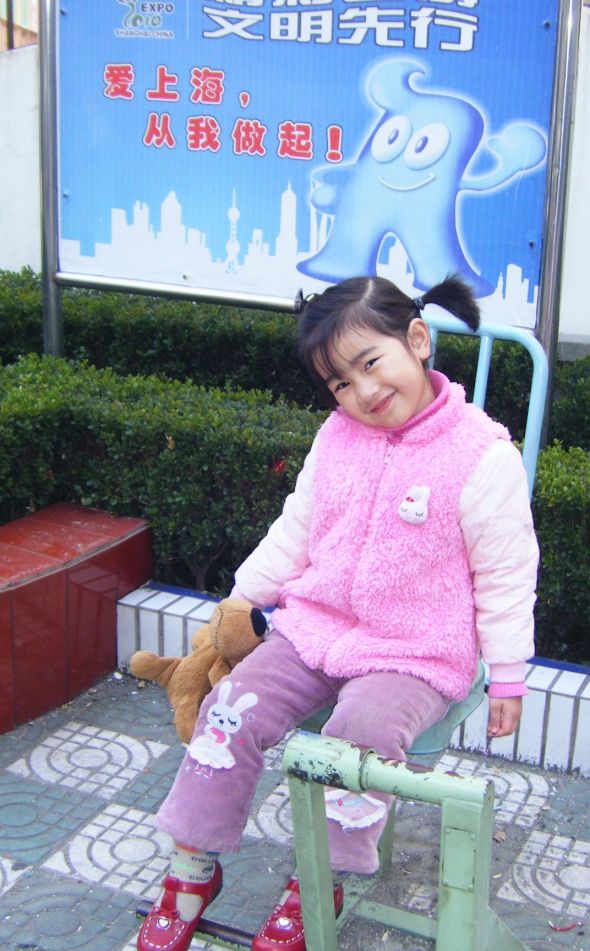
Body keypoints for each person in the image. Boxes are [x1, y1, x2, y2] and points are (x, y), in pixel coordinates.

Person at [136, 274, 538, 951]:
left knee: (358, 737)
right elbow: (298, 525)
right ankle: (191, 867)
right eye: (341, 384)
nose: (364, 392)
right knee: (229, 706)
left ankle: (323, 878)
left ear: (417, 340)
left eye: (371, 363)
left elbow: (506, 572)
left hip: (413, 650)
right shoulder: (338, 436)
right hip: (316, 626)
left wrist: (508, 672)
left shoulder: (482, 456)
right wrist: (243, 597)